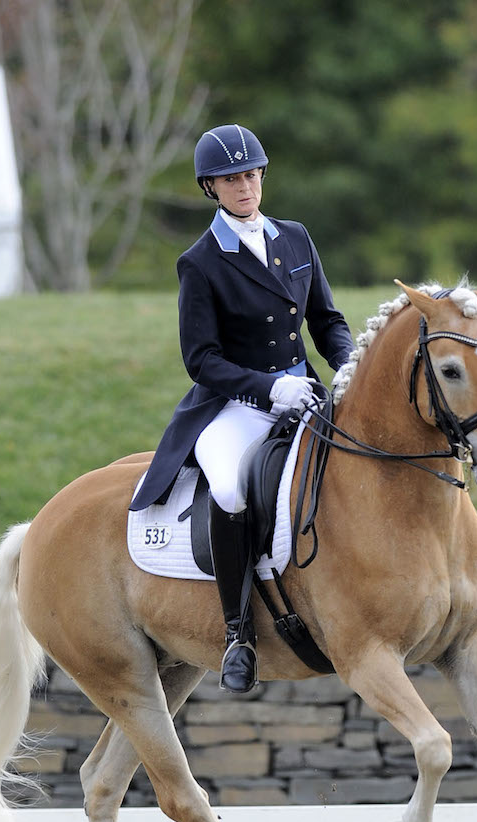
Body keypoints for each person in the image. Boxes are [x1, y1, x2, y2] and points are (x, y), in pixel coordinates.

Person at [130, 123, 354, 693]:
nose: (246, 186)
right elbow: (200, 359)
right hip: (234, 405)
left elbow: (326, 321)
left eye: (252, 174)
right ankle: (238, 633)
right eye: (233, 179)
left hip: (305, 392)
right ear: (212, 187)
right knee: (230, 489)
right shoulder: (201, 263)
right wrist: (266, 387)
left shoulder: (296, 238)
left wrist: (347, 365)